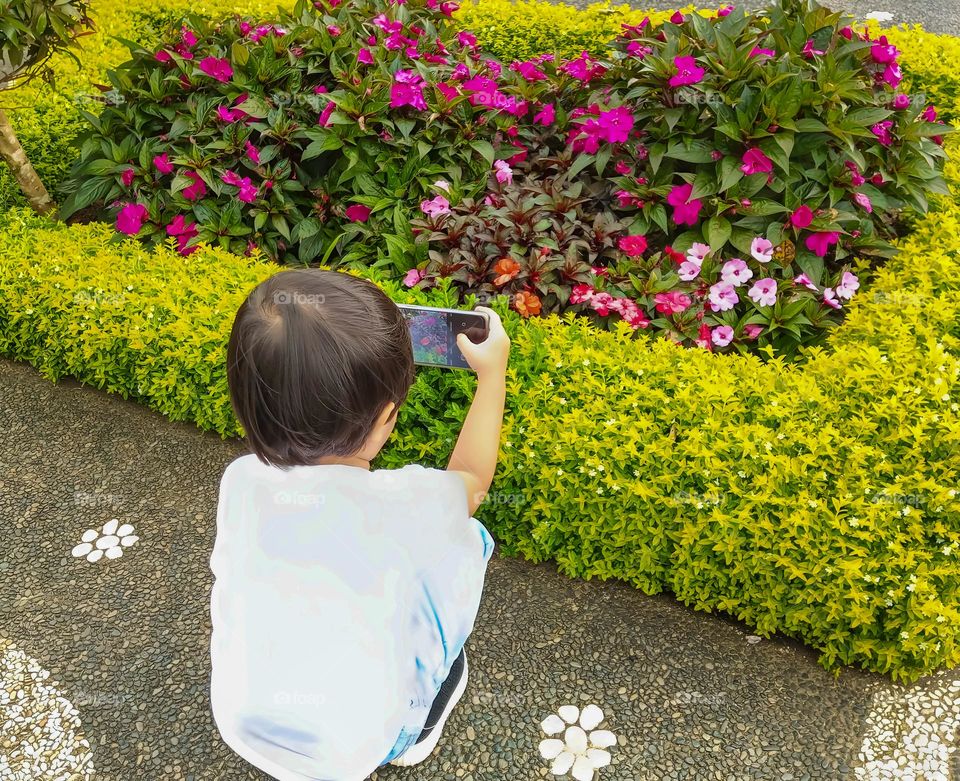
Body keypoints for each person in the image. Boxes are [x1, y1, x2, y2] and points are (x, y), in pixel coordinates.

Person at [209, 269, 510, 780]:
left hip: (241, 723)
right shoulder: (412, 503)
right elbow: (472, 478)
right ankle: (412, 734)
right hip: (355, 750)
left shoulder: (240, 480)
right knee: (467, 541)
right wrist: (493, 374)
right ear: (387, 415)